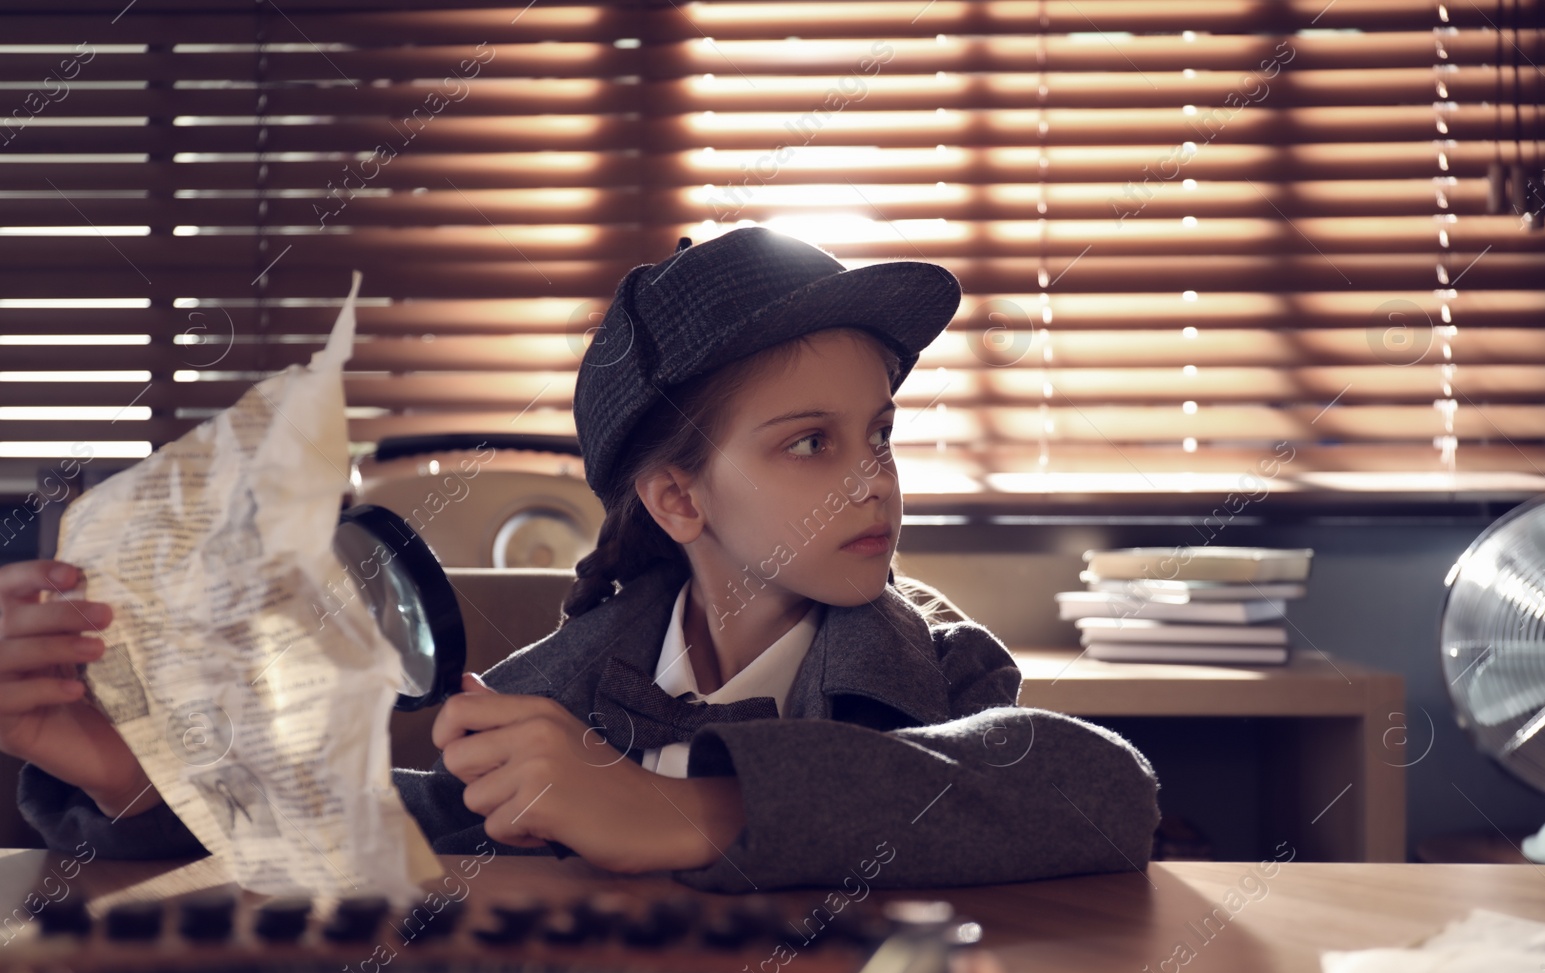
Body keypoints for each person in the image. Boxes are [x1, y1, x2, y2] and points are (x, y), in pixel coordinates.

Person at [1, 226, 1160, 892]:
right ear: (674, 496)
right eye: (811, 442)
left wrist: (692, 810)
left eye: (879, 436)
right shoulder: (556, 688)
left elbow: (1090, 789)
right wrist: (137, 776)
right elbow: (395, 831)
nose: (873, 480)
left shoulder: (935, 668)